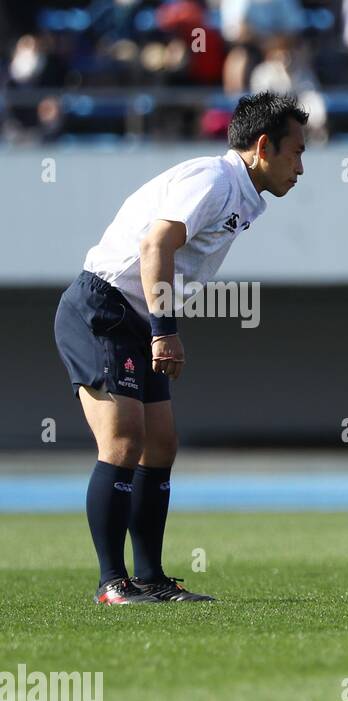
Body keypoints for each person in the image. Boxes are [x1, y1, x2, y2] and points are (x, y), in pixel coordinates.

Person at [53, 92, 307, 603]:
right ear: (263, 146)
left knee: (161, 443)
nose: (301, 166)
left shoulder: (241, 194)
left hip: (135, 314)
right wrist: (164, 330)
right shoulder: (214, 180)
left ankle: (149, 579)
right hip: (101, 309)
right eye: (296, 151)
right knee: (123, 442)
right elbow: (155, 245)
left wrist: (160, 323)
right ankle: (112, 584)